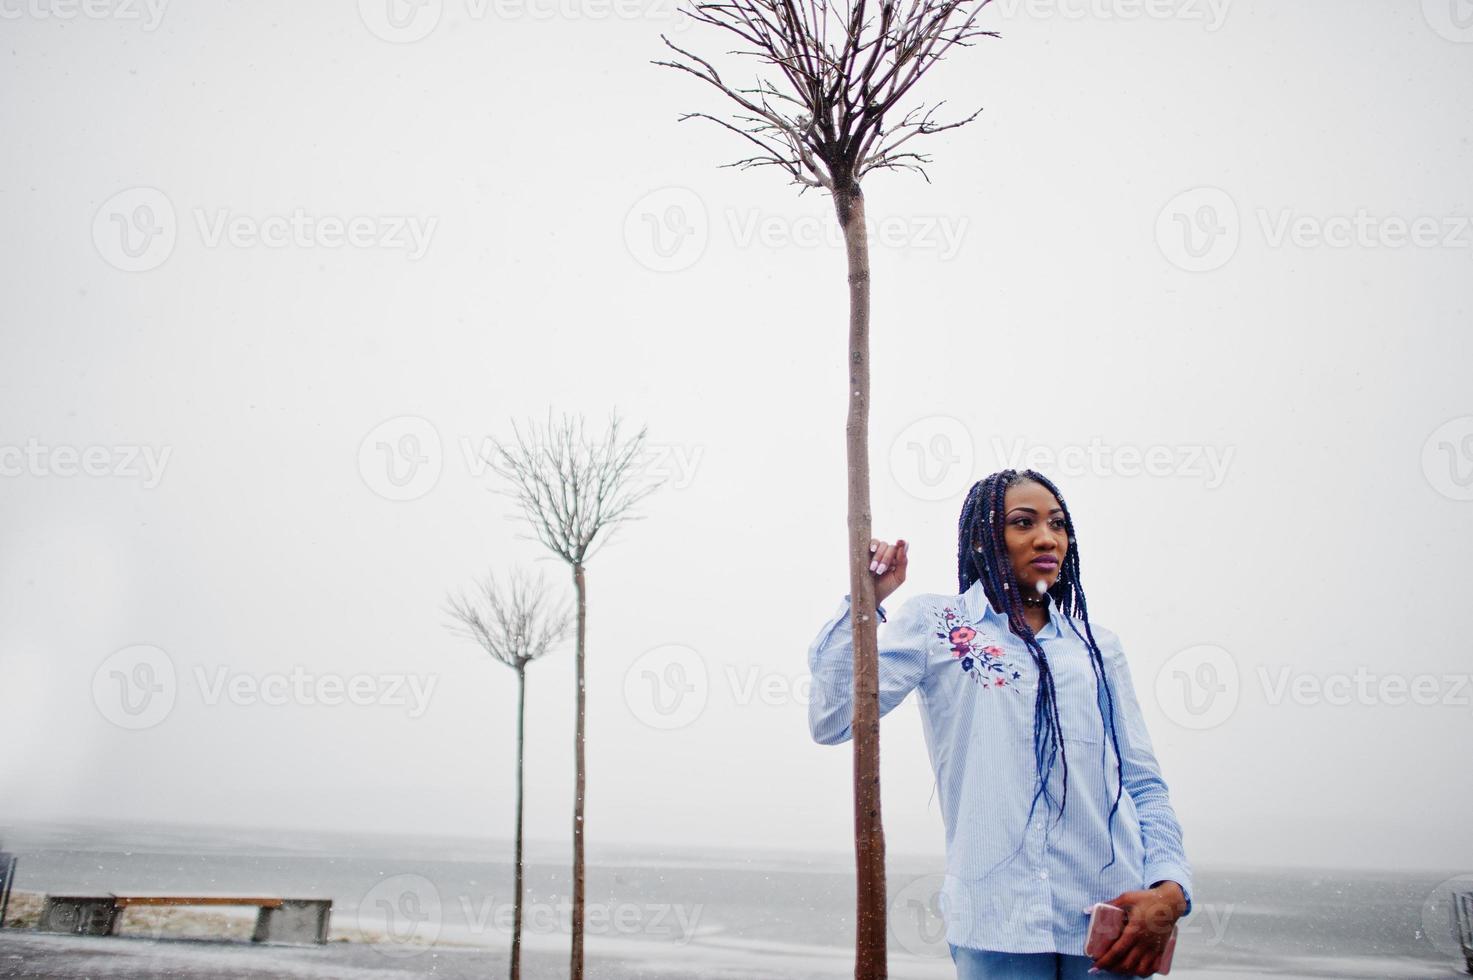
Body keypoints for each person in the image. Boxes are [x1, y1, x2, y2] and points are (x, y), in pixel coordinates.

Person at [807, 469, 1193, 979]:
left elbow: (1141, 779)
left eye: (1057, 524)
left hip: (1112, 922)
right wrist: (865, 600)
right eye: (1022, 522)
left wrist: (1169, 889)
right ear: (983, 539)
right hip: (997, 921)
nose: (1046, 537)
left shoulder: (1097, 647)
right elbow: (833, 719)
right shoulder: (939, 625)